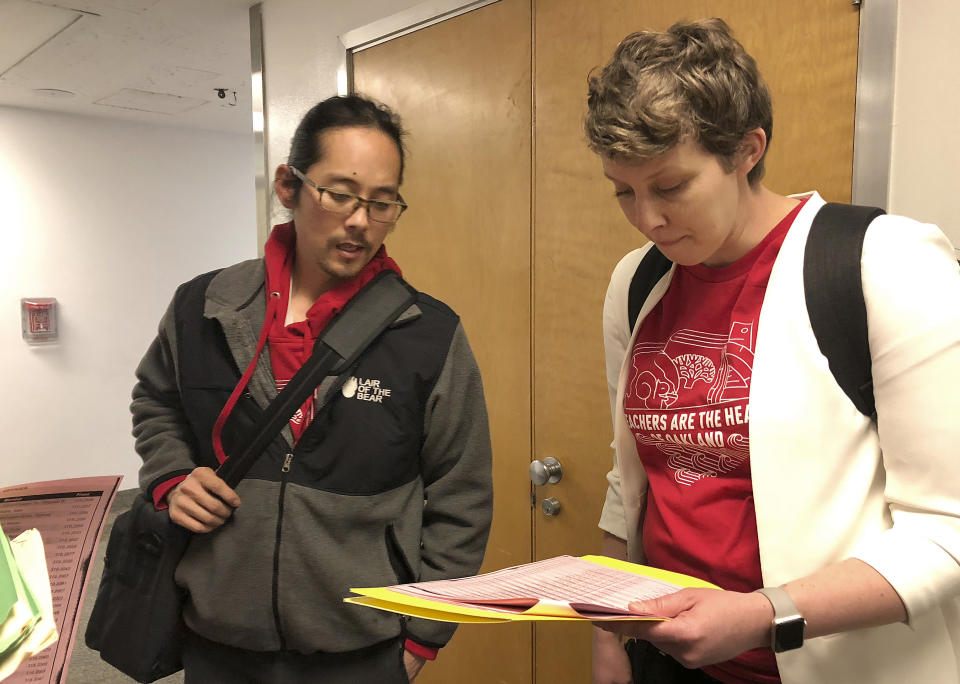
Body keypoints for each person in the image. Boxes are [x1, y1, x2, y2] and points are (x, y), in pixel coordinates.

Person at [585, 18, 960, 684]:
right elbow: (632, 477)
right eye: (624, 191)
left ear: (747, 150)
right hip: (669, 661)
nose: (647, 220)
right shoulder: (636, 284)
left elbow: (946, 532)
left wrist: (763, 614)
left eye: (670, 187)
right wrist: (609, 639)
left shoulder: (882, 263)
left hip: (829, 665)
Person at [130, 94, 493, 683]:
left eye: (381, 203)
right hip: (217, 634)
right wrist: (172, 476)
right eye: (341, 193)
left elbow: (464, 495)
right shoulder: (202, 306)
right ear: (288, 186)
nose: (360, 221)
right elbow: (156, 400)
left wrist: (424, 636)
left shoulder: (429, 335)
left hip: (364, 647)